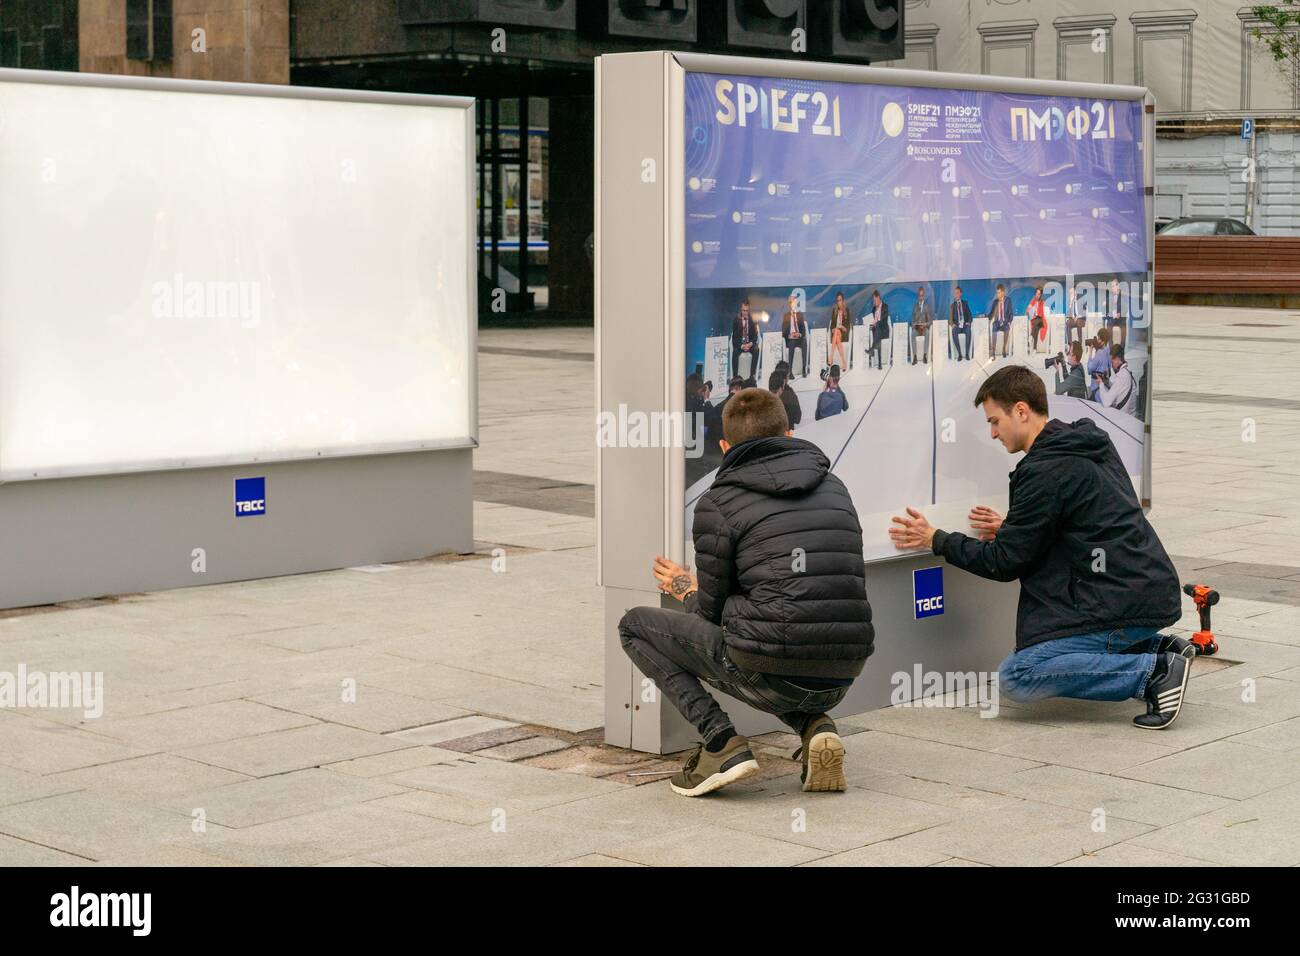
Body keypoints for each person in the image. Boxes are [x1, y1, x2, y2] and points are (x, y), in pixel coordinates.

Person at [887, 366, 1189, 729]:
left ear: (1021, 410)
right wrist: (1015, 527)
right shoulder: (1085, 444)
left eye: (995, 421)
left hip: (1121, 599)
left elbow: (1003, 564)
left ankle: (1154, 673)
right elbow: (1085, 518)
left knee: (1019, 675)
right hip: (1147, 588)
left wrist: (936, 539)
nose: (993, 433)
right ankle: (1161, 648)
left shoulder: (1045, 469)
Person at [618, 389, 875, 795]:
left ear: (724, 447)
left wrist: (683, 586)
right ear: (789, 433)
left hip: (769, 669)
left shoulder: (718, 503)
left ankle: (721, 743)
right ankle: (814, 726)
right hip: (844, 672)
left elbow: (710, 614)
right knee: (777, 636)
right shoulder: (835, 487)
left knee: (634, 625)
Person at [1096, 344, 1138, 415]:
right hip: (1129, 416)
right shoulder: (1127, 373)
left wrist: (1101, 384)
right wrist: (1107, 382)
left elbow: (1106, 402)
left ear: (1117, 359)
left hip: (1122, 419)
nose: (1112, 366)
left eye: (1112, 362)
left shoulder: (1121, 375)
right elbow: (1120, 390)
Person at [731, 298, 760, 380]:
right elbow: (734, 338)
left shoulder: (753, 320)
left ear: (749, 310)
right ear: (741, 309)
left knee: (756, 349)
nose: (745, 313)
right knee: (735, 351)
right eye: (744, 310)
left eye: (747, 311)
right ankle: (735, 376)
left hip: (749, 344)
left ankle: (752, 376)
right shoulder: (736, 320)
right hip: (741, 344)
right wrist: (742, 346)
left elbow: (755, 336)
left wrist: (751, 344)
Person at [782, 293, 808, 378]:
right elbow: (784, 332)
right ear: (790, 304)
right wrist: (790, 335)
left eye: (794, 302)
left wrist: (799, 334)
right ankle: (790, 370)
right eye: (792, 302)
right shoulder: (786, 316)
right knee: (792, 342)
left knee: (804, 341)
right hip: (791, 339)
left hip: (799, 339)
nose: (793, 303)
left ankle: (804, 368)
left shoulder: (800, 315)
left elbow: (803, 331)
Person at [771, 362, 802, 429]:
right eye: (788, 375)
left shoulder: (768, 393)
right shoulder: (790, 394)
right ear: (786, 377)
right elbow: (797, 418)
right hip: (787, 432)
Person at [1085, 327, 1112, 401]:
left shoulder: (1099, 353)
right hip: (1105, 386)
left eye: (1099, 339)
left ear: (1103, 341)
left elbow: (1089, 369)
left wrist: (1090, 352)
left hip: (1096, 389)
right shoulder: (1108, 351)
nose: (1097, 341)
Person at [988, 283, 1013, 359]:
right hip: (997, 322)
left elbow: (1011, 313)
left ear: (1003, 292)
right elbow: (991, 313)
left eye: (998, 292)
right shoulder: (995, 302)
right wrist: (985, 316)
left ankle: (1004, 349)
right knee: (994, 327)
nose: (997, 294)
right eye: (997, 292)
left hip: (1005, 322)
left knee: (1007, 328)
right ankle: (993, 351)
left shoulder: (1008, 300)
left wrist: (1009, 322)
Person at [827, 292, 851, 371]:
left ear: (843, 301)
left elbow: (847, 327)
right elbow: (832, 325)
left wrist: (842, 327)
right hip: (836, 334)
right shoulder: (834, 311)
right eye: (837, 301)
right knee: (836, 333)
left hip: (843, 334)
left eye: (840, 300)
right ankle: (844, 362)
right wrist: (833, 329)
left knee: (837, 331)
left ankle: (830, 357)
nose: (839, 302)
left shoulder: (846, 310)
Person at [910, 286, 934, 365]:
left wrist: (925, 324)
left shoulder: (927, 306)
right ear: (918, 296)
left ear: (924, 296)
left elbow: (930, 321)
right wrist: (915, 325)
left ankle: (925, 355)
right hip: (917, 328)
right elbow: (912, 319)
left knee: (927, 333)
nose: (921, 297)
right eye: (919, 295)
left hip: (924, 328)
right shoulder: (915, 306)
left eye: (922, 295)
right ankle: (915, 356)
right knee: (913, 333)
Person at [949, 285, 973, 361]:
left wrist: (969, 322)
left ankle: (966, 354)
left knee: (969, 330)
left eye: (958, 293)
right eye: (955, 293)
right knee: (953, 331)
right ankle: (959, 354)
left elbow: (970, 315)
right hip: (958, 326)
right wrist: (952, 324)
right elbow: (950, 318)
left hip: (965, 325)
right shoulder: (952, 305)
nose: (956, 295)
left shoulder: (965, 303)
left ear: (961, 293)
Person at [867, 289, 889, 369]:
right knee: (876, 332)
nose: (874, 302)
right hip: (877, 332)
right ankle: (879, 363)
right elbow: (872, 320)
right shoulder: (874, 309)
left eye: (875, 300)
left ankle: (872, 349)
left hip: (884, 330)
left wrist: (876, 323)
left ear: (879, 298)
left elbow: (884, 320)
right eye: (873, 300)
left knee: (878, 330)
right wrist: (870, 324)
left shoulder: (885, 307)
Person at [1105, 277, 1127, 350]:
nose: (1112, 288)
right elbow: (1108, 306)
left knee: (1123, 327)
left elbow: (1125, 308)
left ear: (1118, 286)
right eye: (1112, 286)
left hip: (1121, 318)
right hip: (1113, 318)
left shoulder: (1123, 295)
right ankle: (1111, 347)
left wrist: (1120, 313)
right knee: (1109, 324)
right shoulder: (1111, 296)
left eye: (1113, 286)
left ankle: (1122, 347)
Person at [1065, 283, 1088, 348]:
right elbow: (1068, 314)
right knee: (1068, 323)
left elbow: (1084, 311)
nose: (1071, 295)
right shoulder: (1070, 301)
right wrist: (1070, 304)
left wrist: (1078, 316)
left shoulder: (1081, 298)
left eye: (1072, 293)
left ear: (1075, 291)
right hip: (1074, 320)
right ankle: (1070, 345)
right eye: (1070, 293)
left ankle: (1080, 345)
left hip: (1081, 320)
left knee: (1078, 321)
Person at [1026, 285, 1047, 353]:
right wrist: (1029, 309)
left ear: (1040, 295)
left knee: (1037, 321)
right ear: (1035, 294)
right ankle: (1034, 348)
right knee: (1036, 328)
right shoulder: (1032, 301)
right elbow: (1027, 311)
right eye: (1036, 293)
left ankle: (1031, 336)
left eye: (1039, 294)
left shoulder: (1042, 302)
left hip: (1041, 320)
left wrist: (1036, 313)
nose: (1037, 295)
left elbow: (1042, 313)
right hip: (1035, 321)